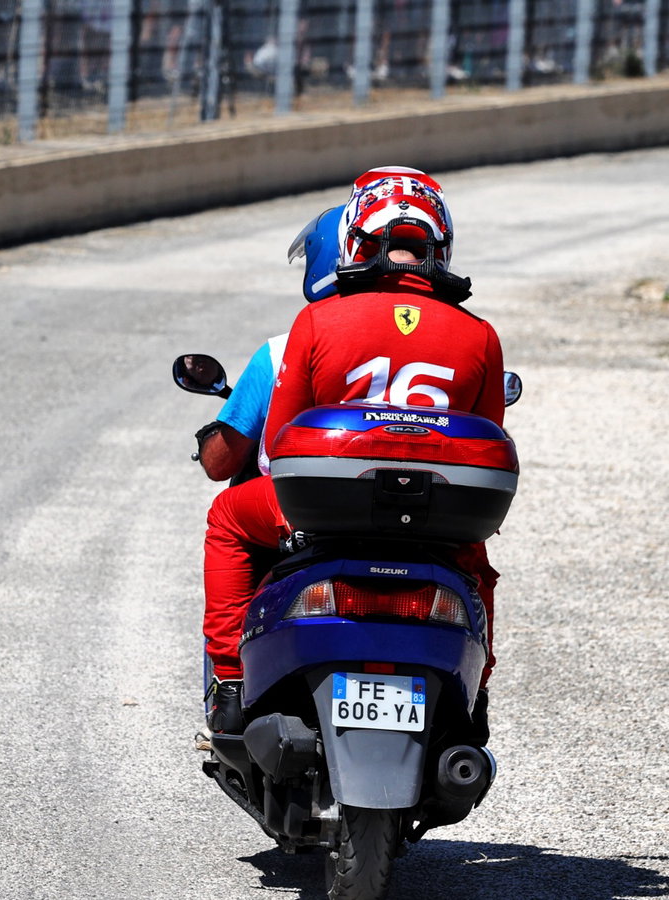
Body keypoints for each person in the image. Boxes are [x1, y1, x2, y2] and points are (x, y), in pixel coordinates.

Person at [202, 167, 505, 737]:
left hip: (321, 511)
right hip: (437, 519)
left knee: (226, 518)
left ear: (354, 241)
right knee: (477, 568)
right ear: (440, 245)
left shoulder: (318, 320)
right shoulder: (480, 334)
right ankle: (477, 698)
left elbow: (281, 437)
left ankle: (230, 682)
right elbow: (488, 440)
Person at [194, 204, 345, 483]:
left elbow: (220, 464)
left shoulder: (280, 353)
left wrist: (210, 437)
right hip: (427, 506)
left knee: (224, 517)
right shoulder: (442, 343)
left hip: (308, 509)